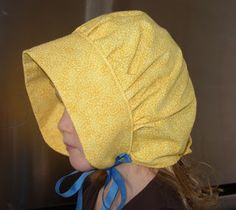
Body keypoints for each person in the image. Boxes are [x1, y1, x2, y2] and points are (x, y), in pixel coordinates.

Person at [22, 10, 222, 210]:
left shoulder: (160, 205)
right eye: (63, 104)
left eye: (81, 110)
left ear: (141, 111)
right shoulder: (102, 184)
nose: (61, 124)